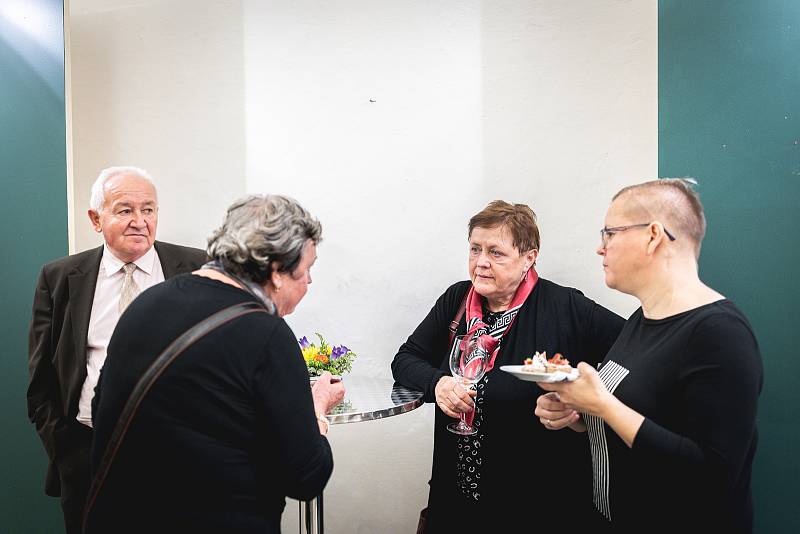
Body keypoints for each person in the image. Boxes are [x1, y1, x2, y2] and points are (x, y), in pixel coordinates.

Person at [84, 194, 344, 534]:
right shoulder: (266, 335)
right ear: (277, 270)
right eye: (306, 269)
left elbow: (101, 406)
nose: (308, 281)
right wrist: (317, 410)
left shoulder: (147, 303)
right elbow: (306, 477)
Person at [535, 179, 762, 533]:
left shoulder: (719, 333)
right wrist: (577, 413)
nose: (600, 248)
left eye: (609, 233)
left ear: (653, 236)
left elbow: (713, 476)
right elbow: (638, 419)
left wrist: (601, 404)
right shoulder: (641, 319)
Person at [391, 200, 625, 532]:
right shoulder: (456, 301)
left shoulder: (564, 306)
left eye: (496, 252)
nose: (481, 263)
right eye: (475, 249)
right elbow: (405, 359)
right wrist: (438, 383)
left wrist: (582, 405)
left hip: (539, 509)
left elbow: (635, 355)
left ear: (529, 257)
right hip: (456, 503)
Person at [26, 166, 207, 534]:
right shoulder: (60, 278)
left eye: (149, 210)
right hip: (90, 457)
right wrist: (66, 453)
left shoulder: (198, 268)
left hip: (180, 456)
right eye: (125, 210)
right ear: (96, 218)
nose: (139, 221)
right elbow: (41, 376)